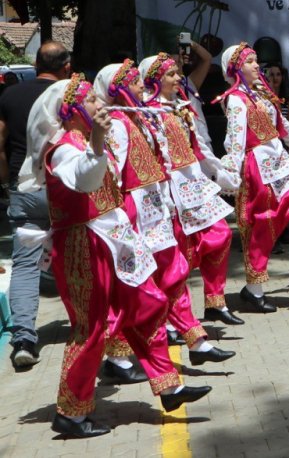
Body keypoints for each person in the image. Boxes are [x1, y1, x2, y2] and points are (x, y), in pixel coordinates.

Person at [26, 76, 210, 438]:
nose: (100, 104)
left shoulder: (90, 140)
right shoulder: (62, 147)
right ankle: (71, 412)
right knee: (90, 328)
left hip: (113, 237)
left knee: (148, 302)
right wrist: (96, 141)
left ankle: (169, 386)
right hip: (83, 245)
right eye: (91, 101)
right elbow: (86, 179)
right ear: (73, 111)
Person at [94, 61, 235, 369]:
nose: (139, 85)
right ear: (116, 90)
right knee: (136, 286)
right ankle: (116, 357)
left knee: (173, 272)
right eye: (132, 82)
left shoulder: (141, 117)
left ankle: (196, 340)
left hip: (154, 204)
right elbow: (113, 172)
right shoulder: (117, 123)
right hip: (133, 208)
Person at [138, 53, 244, 325]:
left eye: (177, 73)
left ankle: (215, 300)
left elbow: (198, 147)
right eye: (171, 74)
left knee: (220, 235)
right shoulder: (149, 112)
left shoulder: (181, 106)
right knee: (177, 258)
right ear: (155, 79)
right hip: (170, 191)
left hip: (193, 184)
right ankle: (171, 317)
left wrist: (219, 172)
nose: (177, 78)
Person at [216, 43, 289, 311]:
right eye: (250, 62)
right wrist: (232, 170)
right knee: (262, 224)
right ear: (237, 68)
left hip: (279, 160)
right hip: (257, 166)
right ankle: (254, 289)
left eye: (255, 61)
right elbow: (236, 138)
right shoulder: (236, 98)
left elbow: (281, 123)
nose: (255, 66)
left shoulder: (261, 91)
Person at [1, 41, 71, 370]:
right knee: (78, 255)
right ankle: (91, 326)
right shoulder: (72, 93)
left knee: (25, 266)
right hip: (66, 184)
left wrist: (8, 182)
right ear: (66, 66)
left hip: (25, 187)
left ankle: (24, 339)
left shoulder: (10, 96)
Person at [264, 63, 289, 129]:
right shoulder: (263, 97)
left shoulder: (287, 98)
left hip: (285, 133)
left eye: (278, 74)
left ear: (282, 77)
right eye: (272, 75)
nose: (275, 78)